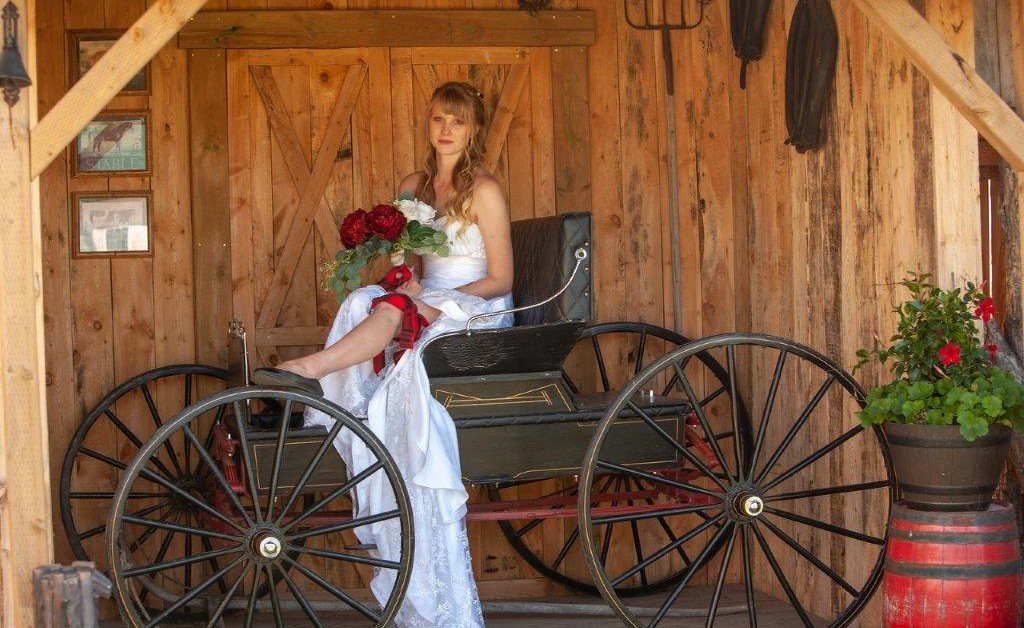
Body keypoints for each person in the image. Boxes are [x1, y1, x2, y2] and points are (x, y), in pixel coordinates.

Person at [254, 81, 513, 628]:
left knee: (394, 310)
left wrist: (441, 302)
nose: (446, 130)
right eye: (439, 119)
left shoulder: (484, 190)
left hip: (477, 308)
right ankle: (343, 407)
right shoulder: (413, 186)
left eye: (458, 122)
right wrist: (403, 273)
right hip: (426, 297)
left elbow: (501, 279)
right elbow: (414, 268)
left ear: (473, 131)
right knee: (363, 298)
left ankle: (304, 371)